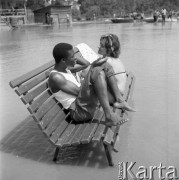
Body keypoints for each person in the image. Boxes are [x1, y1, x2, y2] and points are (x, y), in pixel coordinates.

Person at [48, 43, 135, 126]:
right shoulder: (56, 77)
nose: (75, 58)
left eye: (75, 56)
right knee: (98, 72)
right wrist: (92, 68)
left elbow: (86, 64)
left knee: (104, 65)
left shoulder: (66, 69)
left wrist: (72, 55)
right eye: (72, 57)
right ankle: (109, 116)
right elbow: (78, 92)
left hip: (84, 104)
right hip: (79, 112)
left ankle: (119, 100)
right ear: (63, 60)